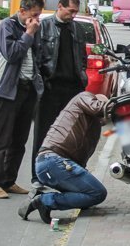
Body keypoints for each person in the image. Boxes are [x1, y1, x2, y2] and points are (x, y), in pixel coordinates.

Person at [19, 91, 109, 223]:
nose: (106, 116)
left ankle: (42, 198)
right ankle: (44, 201)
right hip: (54, 162)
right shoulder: (84, 97)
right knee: (97, 193)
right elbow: (98, 107)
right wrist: (116, 105)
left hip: (52, 163)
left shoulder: (91, 125)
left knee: (87, 196)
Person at [0, 0, 45, 199]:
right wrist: (29, 33)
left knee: (19, 139)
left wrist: (32, 33)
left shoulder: (34, 29)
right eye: (33, 15)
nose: (36, 20)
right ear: (22, 11)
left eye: (38, 16)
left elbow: (37, 55)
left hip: (28, 88)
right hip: (8, 89)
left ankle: (9, 180)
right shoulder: (7, 26)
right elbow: (13, 54)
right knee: (2, 138)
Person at [31, 0, 88, 185]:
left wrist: (82, 79)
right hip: (50, 88)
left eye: (75, 12)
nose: (73, 15)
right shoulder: (44, 26)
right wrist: (42, 81)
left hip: (72, 88)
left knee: (71, 135)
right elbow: (36, 57)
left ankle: (67, 175)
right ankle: (37, 176)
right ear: (60, 7)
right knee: (43, 134)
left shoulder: (77, 29)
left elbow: (82, 57)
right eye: (70, 11)